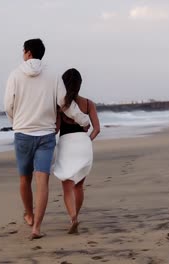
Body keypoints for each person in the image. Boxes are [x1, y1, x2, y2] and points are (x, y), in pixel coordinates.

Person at [4, 39, 90, 240]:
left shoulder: (15, 75)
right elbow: (64, 103)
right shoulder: (53, 76)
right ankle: (37, 228)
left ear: (27, 53)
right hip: (46, 135)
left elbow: (8, 105)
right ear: (41, 54)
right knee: (42, 181)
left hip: (23, 134)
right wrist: (84, 120)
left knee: (24, 178)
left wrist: (16, 121)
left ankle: (29, 215)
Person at [53, 68, 100, 234]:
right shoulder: (88, 104)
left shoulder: (61, 106)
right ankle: (76, 216)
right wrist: (88, 140)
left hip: (67, 145)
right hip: (83, 145)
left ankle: (73, 217)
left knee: (67, 186)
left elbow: (56, 129)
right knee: (79, 185)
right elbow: (96, 129)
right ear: (80, 84)